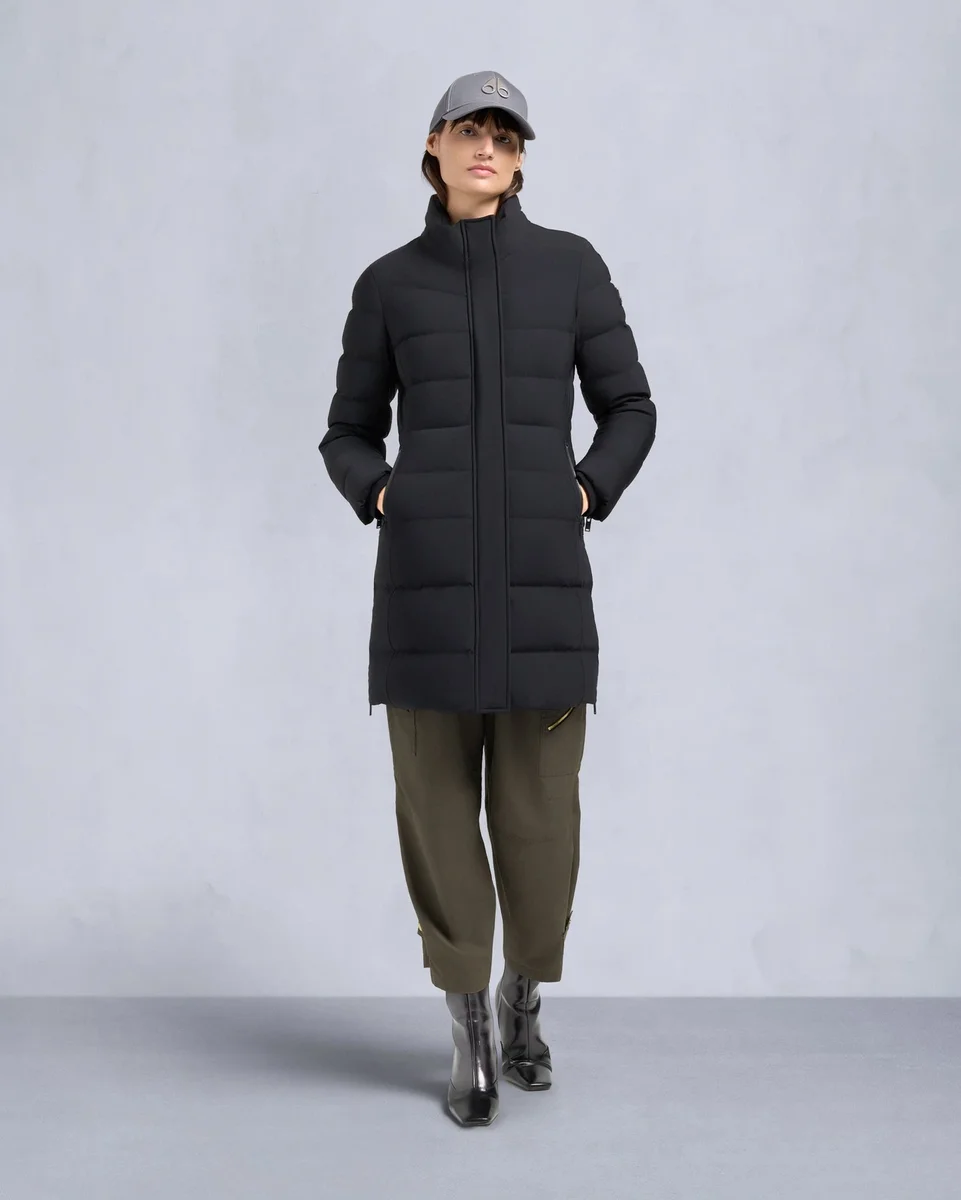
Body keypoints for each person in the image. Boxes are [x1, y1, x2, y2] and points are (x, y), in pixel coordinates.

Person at [319, 70, 655, 1127]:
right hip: (422, 604)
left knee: (539, 824)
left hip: (543, 601)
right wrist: (382, 492)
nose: (487, 150)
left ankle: (522, 997)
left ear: (518, 160)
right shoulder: (388, 284)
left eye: (505, 137)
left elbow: (630, 405)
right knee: (436, 822)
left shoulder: (570, 268)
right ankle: (467, 1026)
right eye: (470, 130)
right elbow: (346, 429)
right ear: (434, 145)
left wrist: (585, 488)